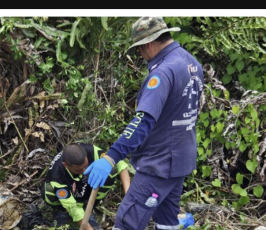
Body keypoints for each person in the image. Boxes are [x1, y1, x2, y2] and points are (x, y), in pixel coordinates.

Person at [84, 17, 204, 230]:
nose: (139, 54)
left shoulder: (162, 72)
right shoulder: (191, 62)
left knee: (127, 221)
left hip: (158, 164)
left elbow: (142, 121)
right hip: (180, 160)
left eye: (139, 49)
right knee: (167, 222)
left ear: (148, 43)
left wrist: (111, 157)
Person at [42, 143, 131, 230]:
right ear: (66, 165)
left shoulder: (90, 150)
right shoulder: (57, 176)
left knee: (111, 168)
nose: (84, 171)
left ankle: (88, 206)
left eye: (86, 166)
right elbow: (73, 208)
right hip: (60, 199)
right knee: (51, 192)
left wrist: (129, 196)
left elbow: (119, 164)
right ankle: (61, 214)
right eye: (79, 169)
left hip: (80, 185)